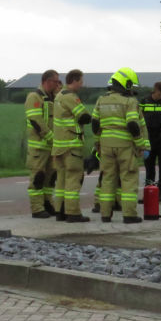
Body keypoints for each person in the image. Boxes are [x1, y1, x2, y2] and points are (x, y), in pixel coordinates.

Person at [91, 68, 150, 223]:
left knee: (108, 179)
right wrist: (141, 145)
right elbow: (132, 124)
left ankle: (105, 214)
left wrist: (97, 142)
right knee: (129, 178)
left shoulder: (101, 100)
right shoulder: (129, 101)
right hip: (125, 146)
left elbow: (95, 124)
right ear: (127, 83)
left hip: (106, 145)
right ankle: (129, 215)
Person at [52, 69, 92, 223]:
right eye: (81, 82)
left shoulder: (58, 96)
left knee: (61, 181)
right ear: (74, 81)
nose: (82, 85)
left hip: (59, 146)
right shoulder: (70, 97)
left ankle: (60, 211)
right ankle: (73, 212)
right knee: (74, 178)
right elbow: (84, 117)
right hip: (71, 145)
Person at [24, 70, 59, 218]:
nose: (58, 84)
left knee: (50, 179)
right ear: (47, 81)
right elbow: (36, 121)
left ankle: (47, 203)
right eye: (56, 81)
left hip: (51, 147)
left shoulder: (52, 98)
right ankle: (37, 208)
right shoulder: (34, 97)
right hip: (39, 146)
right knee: (38, 178)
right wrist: (51, 137)